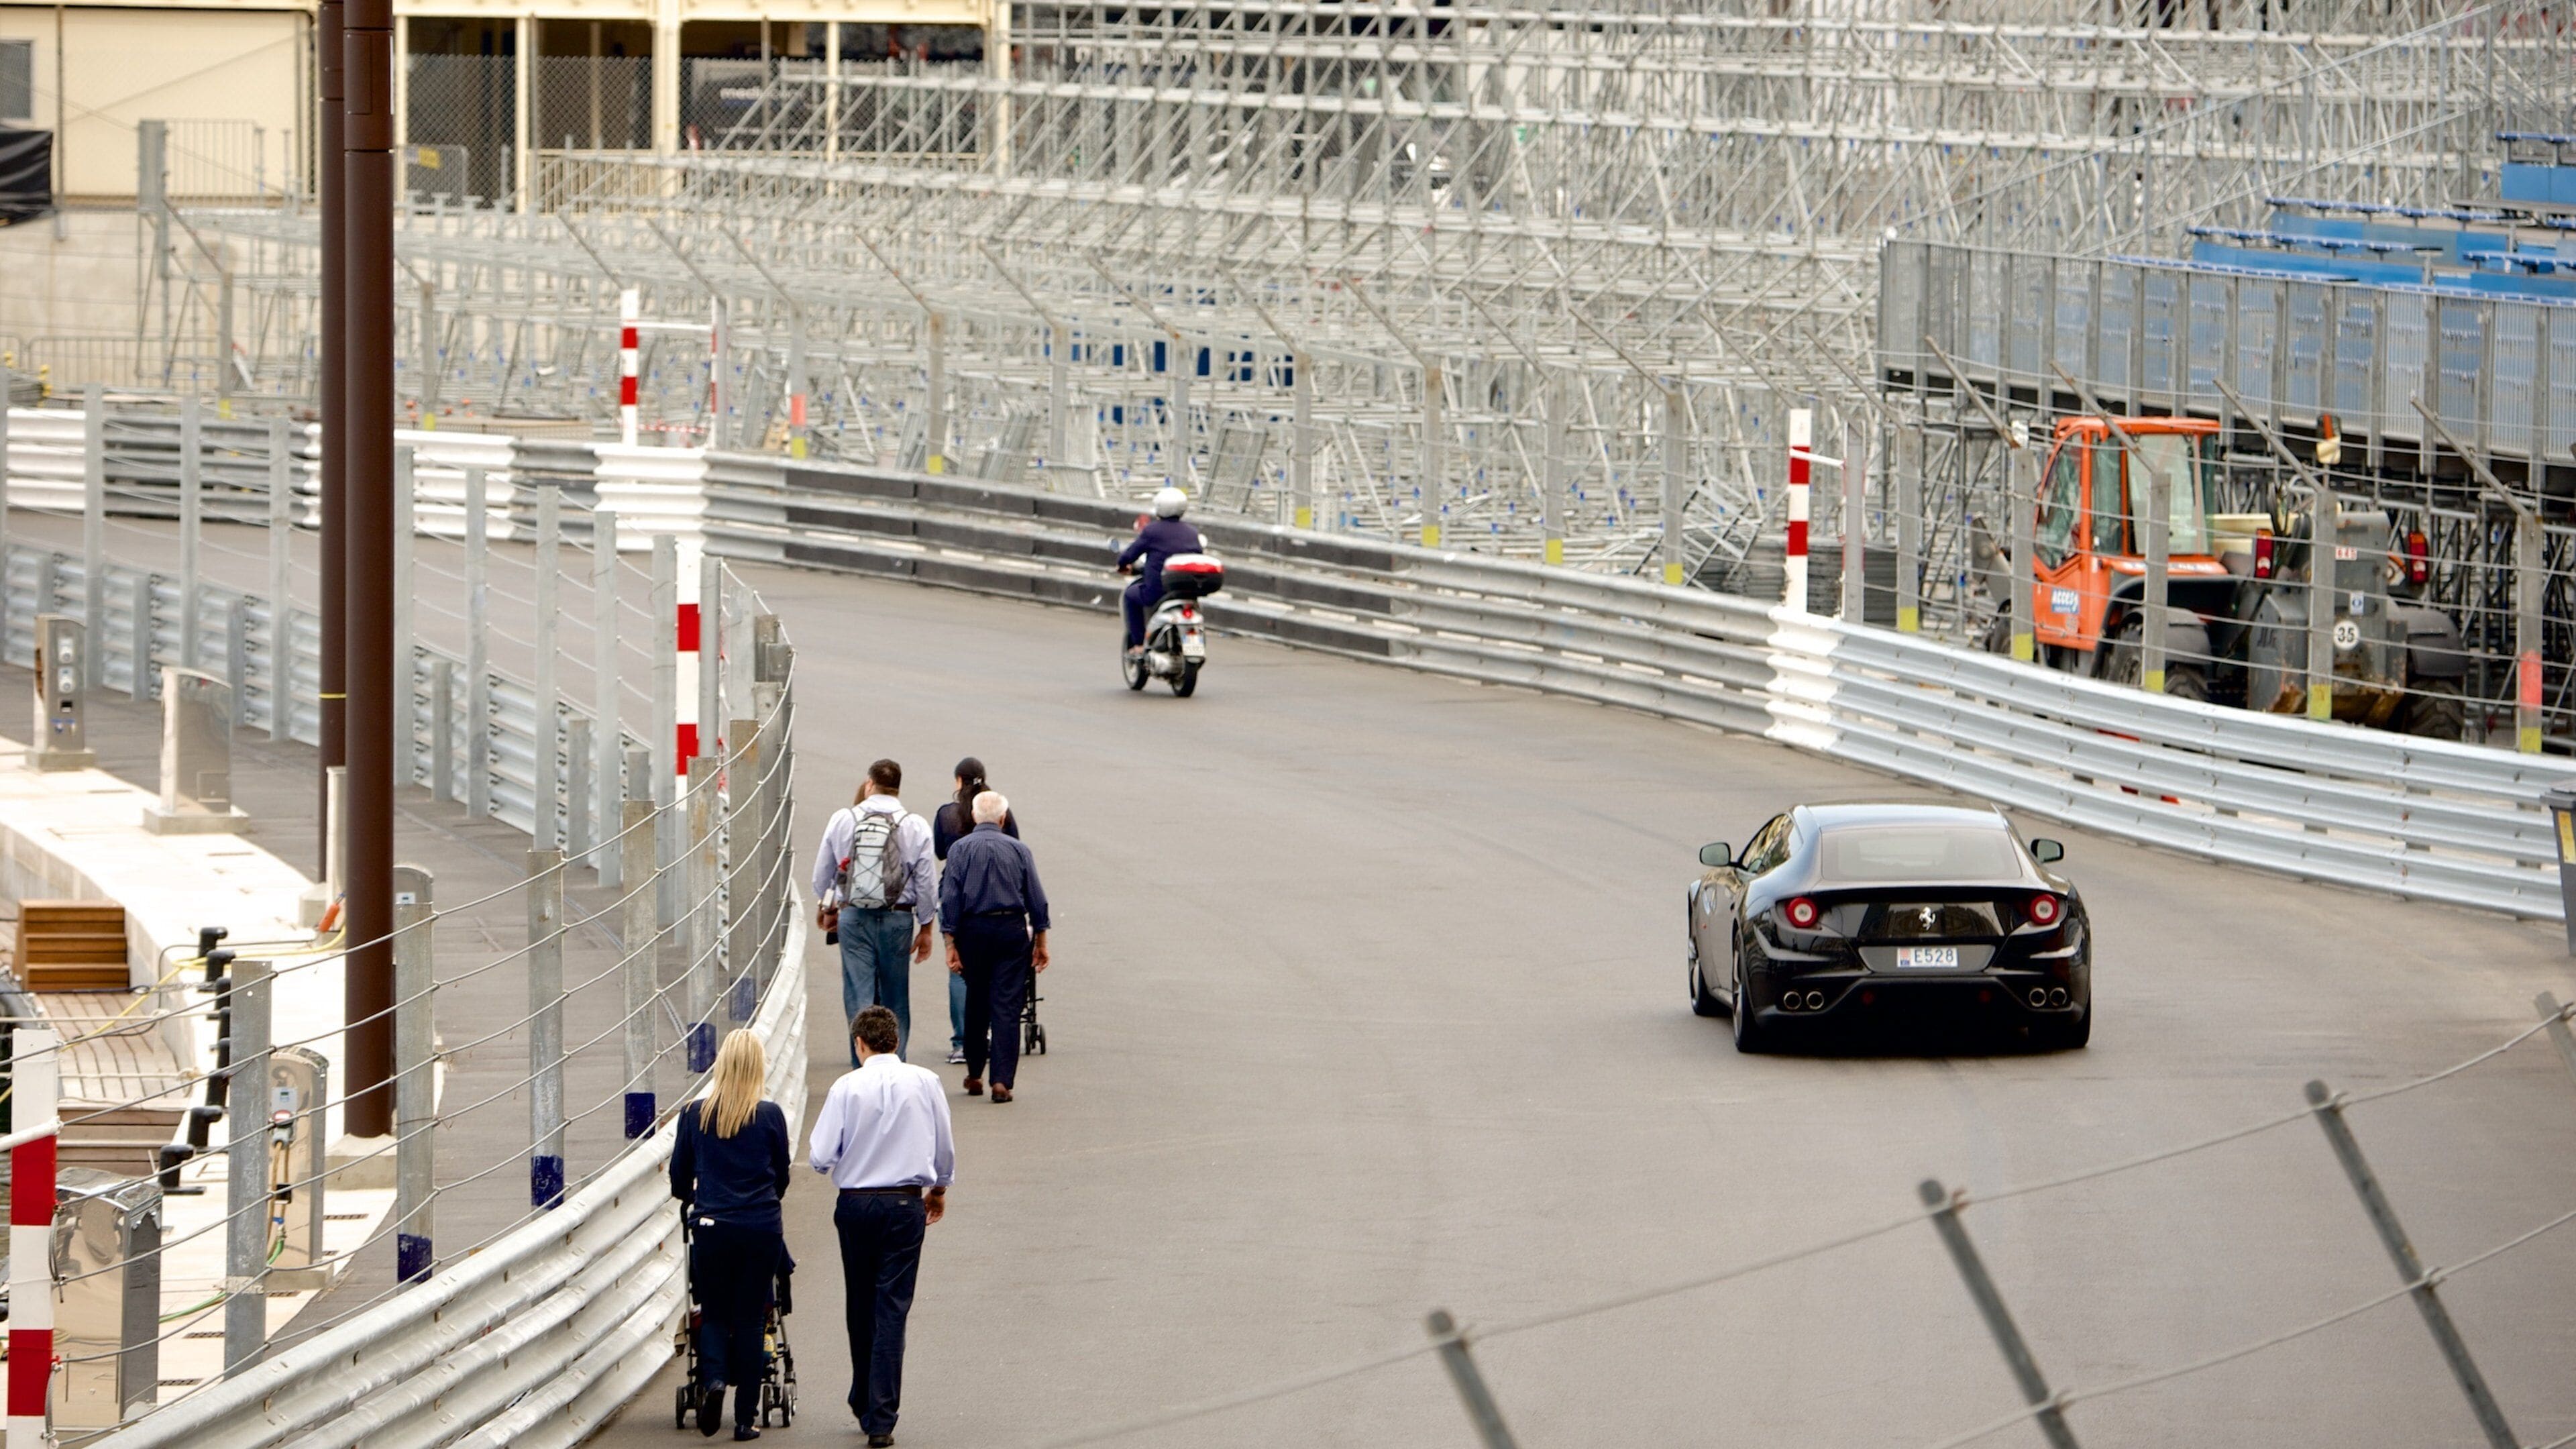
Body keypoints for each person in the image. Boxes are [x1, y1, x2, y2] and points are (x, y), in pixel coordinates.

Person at [808, 1005, 953, 1449]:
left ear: (860, 1044)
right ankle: (881, 1415)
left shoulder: (847, 1087)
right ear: (897, 1041)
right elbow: (943, 1145)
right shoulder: (926, 1083)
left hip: (855, 1202)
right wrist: (939, 1190)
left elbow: (819, 1156)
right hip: (905, 1202)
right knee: (892, 1305)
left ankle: (864, 1398)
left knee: (860, 1300)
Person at [670, 1029, 794, 1442]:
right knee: (750, 1316)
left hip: (713, 1227)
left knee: (716, 1313)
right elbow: (782, 1176)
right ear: (759, 1066)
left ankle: (716, 1381)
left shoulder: (694, 1115)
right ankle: (745, 1421)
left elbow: (678, 1181)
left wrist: (701, 1197)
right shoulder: (771, 1115)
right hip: (760, 1228)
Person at [812, 760, 936, 1063]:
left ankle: (862, 1069)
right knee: (896, 999)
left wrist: (828, 907)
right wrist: (927, 928)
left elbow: (821, 877)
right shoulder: (915, 825)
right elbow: (927, 885)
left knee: (858, 996)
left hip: (853, 918)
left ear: (869, 784)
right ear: (898, 787)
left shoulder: (843, 820)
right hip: (898, 918)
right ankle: (896, 1067)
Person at [938, 790, 1051, 1104]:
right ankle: (1001, 1080)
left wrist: (950, 942)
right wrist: (1040, 940)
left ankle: (974, 1072)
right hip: (1011, 928)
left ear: (974, 817)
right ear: (1003, 819)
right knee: (1007, 1005)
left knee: (976, 1000)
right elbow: (1036, 899)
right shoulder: (1019, 850)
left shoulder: (959, 850)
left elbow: (950, 900)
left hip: (973, 930)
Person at [930, 757, 1020, 1067]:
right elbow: (1015, 845)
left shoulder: (947, 815)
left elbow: (940, 851)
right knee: (1001, 976)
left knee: (961, 972)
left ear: (958, 781)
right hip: (999, 899)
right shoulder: (1001, 813)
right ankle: (996, 1035)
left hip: (960, 900)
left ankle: (962, 1041)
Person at [1117, 486, 1203, 659]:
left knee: (1130, 595)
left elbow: (1131, 553)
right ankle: (1192, 647)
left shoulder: (1152, 531)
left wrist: (1122, 564)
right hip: (1188, 590)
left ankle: (1140, 645)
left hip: (1158, 591)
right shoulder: (1192, 532)